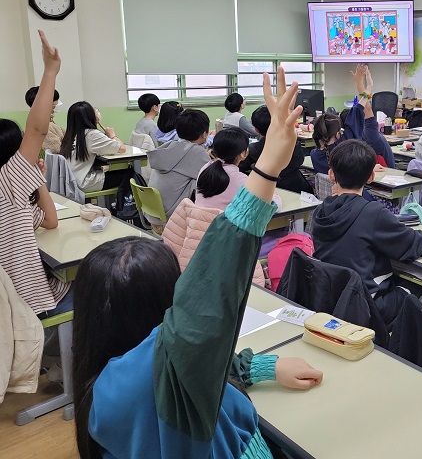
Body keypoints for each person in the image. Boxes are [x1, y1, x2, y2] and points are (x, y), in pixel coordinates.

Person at [72, 69, 323, 459]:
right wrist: (268, 165)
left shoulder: (104, 389)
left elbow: (201, 360)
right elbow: (209, 291)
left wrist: (262, 369)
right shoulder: (159, 379)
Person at [312, 139, 422, 326]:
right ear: (371, 177)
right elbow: (416, 244)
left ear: (331, 175)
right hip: (370, 306)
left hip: (333, 301)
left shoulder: (319, 213)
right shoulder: (373, 213)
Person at [0, 31, 71, 316]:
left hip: (11, 299)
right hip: (27, 299)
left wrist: (36, 178)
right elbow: (37, 130)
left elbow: (51, 222)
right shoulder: (7, 181)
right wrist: (50, 71)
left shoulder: (15, 198)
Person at [310, 64, 394, 173]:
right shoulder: (346, 146)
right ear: (337, 134)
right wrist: (367, 86)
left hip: (333, 189)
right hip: (352, 188)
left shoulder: (314, 155)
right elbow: (363, 107)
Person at [239, 99, 313, 194]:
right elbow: (299, 161)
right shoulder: (292, 143)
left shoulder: (254, 149)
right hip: (298, 188)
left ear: (256, 130)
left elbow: (240, 167)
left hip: (269, 191)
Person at [148, 109, 212, 218]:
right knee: (207, 181)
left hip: (152, 212)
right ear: (204, 134)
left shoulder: (170, 145)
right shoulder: (197, 152)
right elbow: (212, 177)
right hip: (171, 218)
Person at [60, 101, 126, 192]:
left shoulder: (70, 134)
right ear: (91, 116)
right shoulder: (92, 134)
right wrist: (112, 135)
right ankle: (124, 205)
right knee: (128, 174)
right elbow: (122, 149)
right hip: (83, 182)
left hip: (70, 181)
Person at [196, 127, 249, 211]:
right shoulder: (240, 179)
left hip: (196, 220)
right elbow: (272, 204)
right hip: (219, 223)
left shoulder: (206, 167)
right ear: (243, 153)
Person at [24, 85, 64, 154]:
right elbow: (56, 148)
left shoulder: (46, 121)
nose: (55, 109)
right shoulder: (41, 125)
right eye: (54, 107)